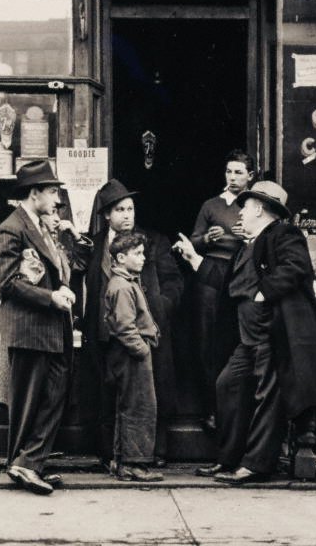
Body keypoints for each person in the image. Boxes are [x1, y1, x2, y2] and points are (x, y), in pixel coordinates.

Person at [175, 181, 316, 484]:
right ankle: (228, 459)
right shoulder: (248, 245)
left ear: (260, 209)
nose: (241, 213)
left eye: (246, 207)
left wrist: (265, 292)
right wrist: (194, 259)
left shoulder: (284, 234)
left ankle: (256, 464)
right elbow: (227, 282)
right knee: (227, 385)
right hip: (247, 339)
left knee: (267, 396)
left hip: (272, 335)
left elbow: (297, 267)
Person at [83, 179, 183, 468]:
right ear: (106, 215)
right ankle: (110, 455)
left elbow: (175, 283)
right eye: (120, 209)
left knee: (151, 391)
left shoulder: (154, 241)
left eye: (130, 209)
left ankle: (155, 452)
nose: (127, 215)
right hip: (106, 332)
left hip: (144, 331)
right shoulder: (95, 244)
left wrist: (158, 309)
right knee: (109, 391)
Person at [0, 160, 75, 496]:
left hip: (49, 330)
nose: (57, 199)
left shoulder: (39, 226)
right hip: (30, 330)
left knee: (53, 396)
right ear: (35, 192)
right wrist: (51, 297)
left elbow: (49, 272)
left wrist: (62, 288)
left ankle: (29, 463)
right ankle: (23, 464)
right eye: (52, 191)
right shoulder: (11, 229)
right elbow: (8, 283)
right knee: (30, 402)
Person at [189, 149, 255, 430]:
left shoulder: (254, 206)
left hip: (241, 272)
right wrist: (206, 238)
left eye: (239, 172)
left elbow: (266, 238)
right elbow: (193, 242)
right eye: (229, 171)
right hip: (211, 272)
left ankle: (236, 413)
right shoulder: (212, 205)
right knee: (207, 338)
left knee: (235, 339)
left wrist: (248, 236)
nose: (232, 177)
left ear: (250, 176)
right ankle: (211, 409)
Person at [104, 232, 163, 482]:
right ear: (120, 257)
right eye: (137, 253)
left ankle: (122, 462)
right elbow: (125, 327)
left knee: (129, 405)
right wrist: (142, 349)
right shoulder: (121, 286)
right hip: (131, 355)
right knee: (139, 407)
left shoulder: (127, 282)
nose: (143, 258)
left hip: (129, 354)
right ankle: (134, 464)